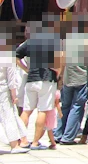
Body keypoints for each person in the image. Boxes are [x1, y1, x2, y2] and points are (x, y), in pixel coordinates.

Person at [15, 16, 62, 150]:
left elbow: (16, 55)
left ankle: (22, 139)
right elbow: (58, 62)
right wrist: (58, 73)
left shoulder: (30, 42)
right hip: (47, 80)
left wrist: (26, 69)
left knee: (27, 110)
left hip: (31, 79)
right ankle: (35, 142)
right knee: (43, 110)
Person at [54, 17, 88, 144]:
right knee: (77, 106)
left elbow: (62, 59)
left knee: (65, 106)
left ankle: (58, 134)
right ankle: (68, 137)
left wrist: (60, 76)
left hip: (68, 78)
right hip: (82, 78)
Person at [0, 25, 31, 153]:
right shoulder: (8, 57)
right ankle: (14, 144)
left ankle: (22, 139)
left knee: (12, 115)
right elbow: (11, 80)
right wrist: (14, 95)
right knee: (9, 116)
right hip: (4, 89)